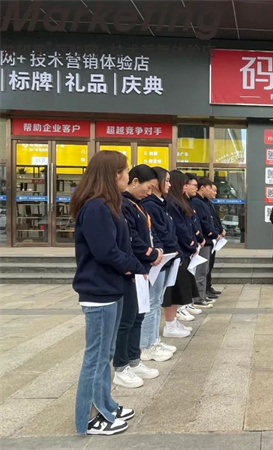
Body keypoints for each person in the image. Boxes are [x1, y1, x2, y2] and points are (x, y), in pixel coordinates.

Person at [71, 150, 144, 435]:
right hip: (98, 291)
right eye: (126, 170)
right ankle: (89, 419)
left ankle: (105, 405)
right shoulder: (95, 207)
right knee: (96, 357)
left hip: (110, 289)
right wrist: (134, 266)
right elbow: (106, 251)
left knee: (106, 354)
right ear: (115, 174)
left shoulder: (108, 205)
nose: (128, 175)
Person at [112, 164, 163, 389]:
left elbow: (149, 233)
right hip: (132, 270)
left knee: (138, 316)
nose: (149, 192)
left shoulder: (139, 205)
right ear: (134, 182)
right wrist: (150, 253)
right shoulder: (124, 205)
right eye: (148, 187)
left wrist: (157, 250)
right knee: (127, 319)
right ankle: (121, 366)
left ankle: (134, 359)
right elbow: (131, 239)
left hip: (143, 270)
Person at [140, 167, 179, 361]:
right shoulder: (150, 205)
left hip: (164, 258)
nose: (169, 184)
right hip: (157, 260)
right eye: (167, 180)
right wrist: (163, 250)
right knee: (152, 303)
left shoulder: (161, 204)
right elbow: (157, 233)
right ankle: (147, 345)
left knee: (156, 301)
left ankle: (153, 340)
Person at [163, 170, 202, 338]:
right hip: (177, 251)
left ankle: (173, 321)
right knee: (172, 291)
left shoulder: (182, 202)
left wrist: (194, 241)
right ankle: (170, 324)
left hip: (184, 251)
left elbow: (189, 225)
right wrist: (191, 243)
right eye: (184, 184)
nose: (186, 187)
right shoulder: (171, 203)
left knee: (180, 289)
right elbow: (179, 228)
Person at [187, 175, 217, 309]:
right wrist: (209, 234)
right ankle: (199, 297)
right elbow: (201, 222)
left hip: (207, 240)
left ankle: (202, 294)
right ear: (203, 188)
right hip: (203, 240)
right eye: (210, 188)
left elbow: (210, 219)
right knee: (201, 271)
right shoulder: (197, 202)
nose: (212, 191)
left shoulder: (204, 202)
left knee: (205, 270)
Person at [206, 182, 224, 298]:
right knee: (205, 267)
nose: (215, 193)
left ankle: (208, 286)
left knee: (210, 264)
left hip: (214, 239)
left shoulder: (211, 204)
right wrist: (214, 233)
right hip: (208, 239)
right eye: (213, 190)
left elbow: (215, 220)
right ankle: (205, 290)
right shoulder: (202, 203)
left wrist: (221, 230)